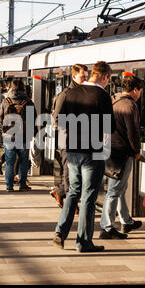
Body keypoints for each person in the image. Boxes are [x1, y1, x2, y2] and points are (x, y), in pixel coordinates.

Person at [53, 61, 115, 253]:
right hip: (92, 151)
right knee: (88, 196)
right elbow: (110, 126)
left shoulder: (70, 93)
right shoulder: (102, 95)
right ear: (105, 77)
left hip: (71, 151)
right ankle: (83, 242)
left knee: (73, 191)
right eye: (108, 80)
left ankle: (60, 232)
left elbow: (59, 120)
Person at [99, 75, 143, 239]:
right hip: (123, 152)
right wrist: (136, 150)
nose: (140, 95)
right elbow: (133, 132)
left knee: (119, 187)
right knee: (114, 190)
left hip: (109, 149)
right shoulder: (130, 105)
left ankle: (126, 220)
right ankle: (107, 227)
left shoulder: (113, 100)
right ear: (135, 90)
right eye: (140, 91)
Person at [50, 64, 88, 215]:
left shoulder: (84, 92)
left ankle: (59, 191)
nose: (85, 79)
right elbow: (56, 119)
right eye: (82, 77)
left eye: (86, 76)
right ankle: (72, 205)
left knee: (78, 173)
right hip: (67, 140)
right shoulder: (66, 94)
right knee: (69, 171)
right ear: (74, 76)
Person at [0, 79, 37, 192]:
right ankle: (22, 184)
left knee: (10, 161)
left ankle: (9, 186)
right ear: (23, 88)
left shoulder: (6, 101)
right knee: (23, 161)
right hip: (24, 137)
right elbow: (33, 119)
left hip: (9, 137)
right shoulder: (28, 102)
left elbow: (0, 118)